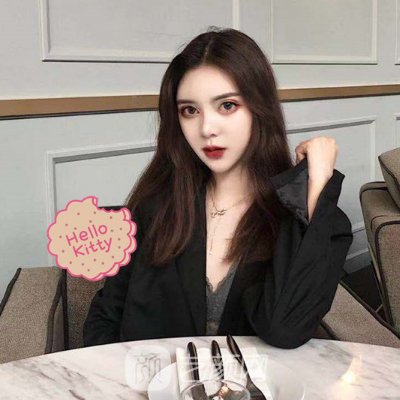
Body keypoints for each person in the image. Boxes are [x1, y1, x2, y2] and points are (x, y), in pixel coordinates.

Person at [83, 27, 353, 349]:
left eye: (227, 106)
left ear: (260, 107)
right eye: (190, 111)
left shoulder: (295, 215)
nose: (207, 129)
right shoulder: (154, 206)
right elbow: (107, 315)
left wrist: (317, 183)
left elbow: (285, 329)